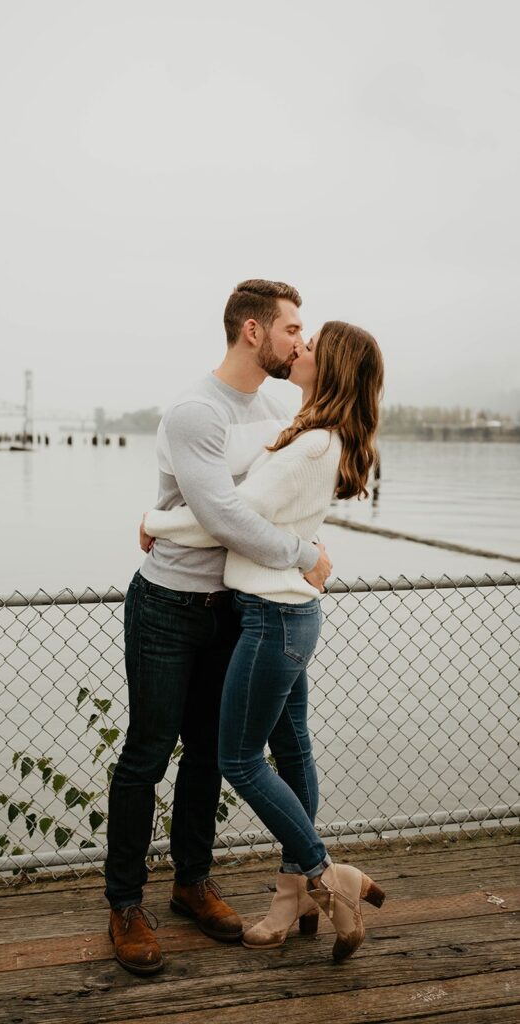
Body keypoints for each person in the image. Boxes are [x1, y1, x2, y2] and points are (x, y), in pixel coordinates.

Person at [105, 280, 333, 975]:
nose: (301, 339)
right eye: (292, 328)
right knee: (146, 754)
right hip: (168, 608)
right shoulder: (192, 412)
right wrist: (303, 557)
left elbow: (271, 502)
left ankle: (191, 884)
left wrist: (293, 543)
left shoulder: (273, 409)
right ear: (251, 331)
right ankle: (124, 904)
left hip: (237, 609)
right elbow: (225, 516)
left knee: (209, 752)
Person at [144, 320, 386, 962]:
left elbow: (229, 518)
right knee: (294, 750)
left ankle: (323, 873)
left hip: (271, 616)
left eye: (310, 343)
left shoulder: (309, 446)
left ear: (329, 367)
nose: (299, 347)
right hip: (289, 613)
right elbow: (246, 511)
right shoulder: (316, 434)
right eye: (297, 334)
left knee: (239, 760)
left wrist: (155, 520)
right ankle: (294, 896)